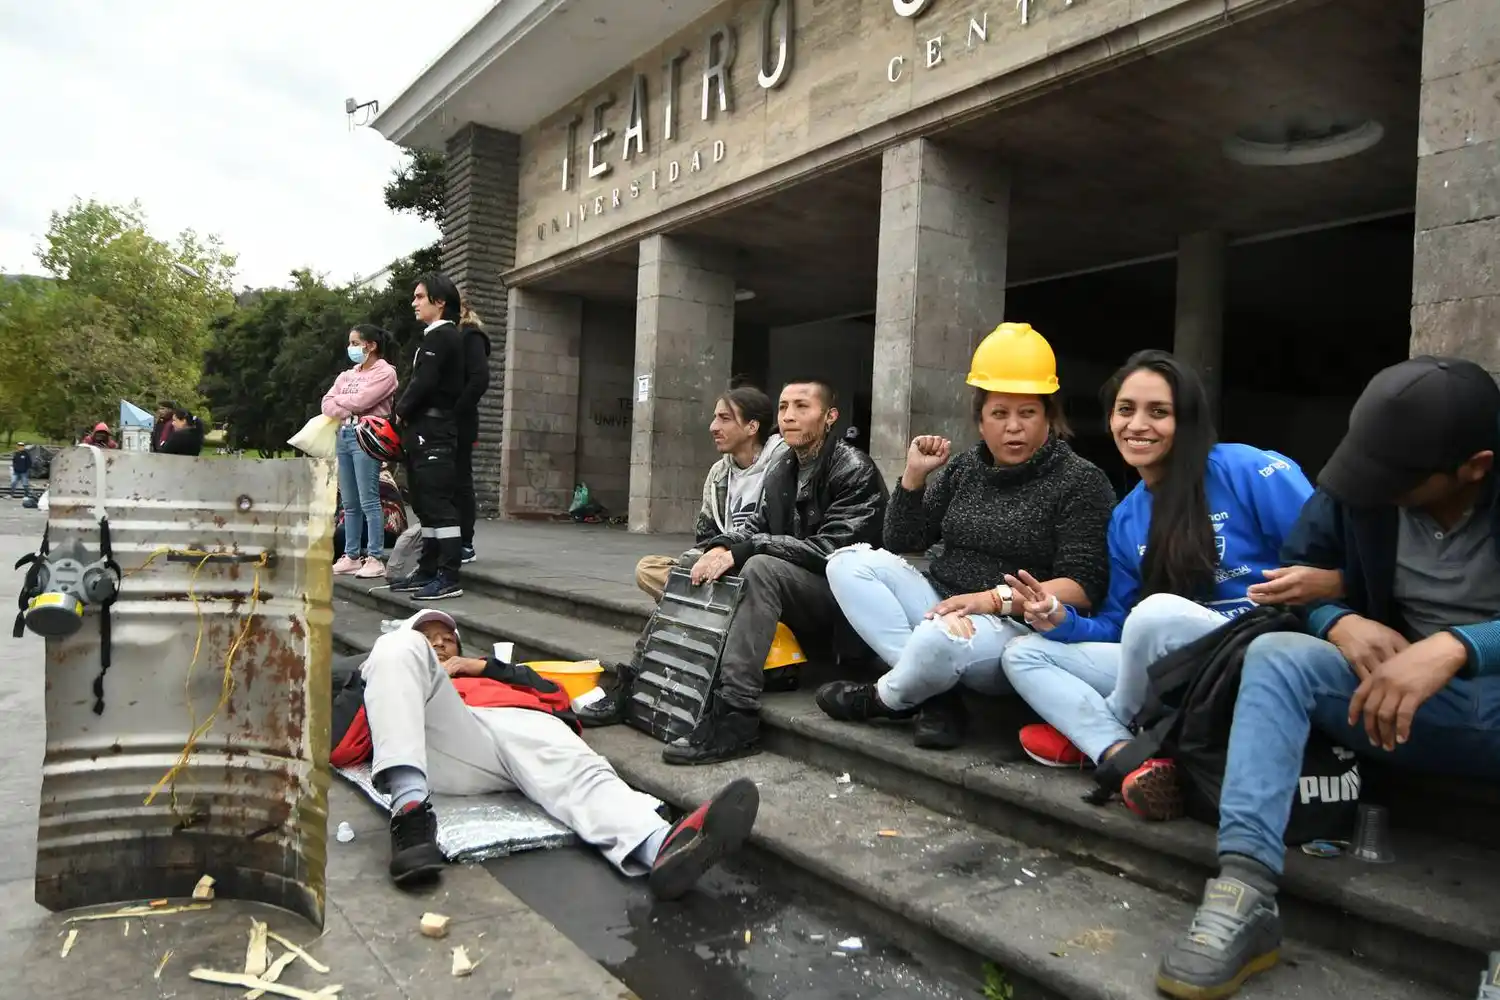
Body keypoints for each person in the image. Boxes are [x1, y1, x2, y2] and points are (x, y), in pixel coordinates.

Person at [1152, 356, 1500, 1000]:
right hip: (1396, 700)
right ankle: (1245, 893)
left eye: (1395, 479)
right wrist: (1338, 620)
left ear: (1474, 467)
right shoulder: (1362, 484)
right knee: (1277, 655)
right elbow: (1295, 580)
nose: (1370, 489)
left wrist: (1460, 645)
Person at [999, 350, 1319, 810]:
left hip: (1261, 651)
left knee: (1158, 612)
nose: (1138, 425)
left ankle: (1111, 724)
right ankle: (1126, 756)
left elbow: (1329, 560)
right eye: (1126, 410)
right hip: (1180, 668)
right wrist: (1061, 620)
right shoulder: (1127, 517)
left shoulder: (1249, 470)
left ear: (1186, 420)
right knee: (1022, 653)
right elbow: (1120, 627)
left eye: (1158, 412)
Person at [814, 324, 1117, 750]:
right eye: (1000, 414)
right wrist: (914, 476)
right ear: (980, 420)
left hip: (1013, 628)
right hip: (942, 600)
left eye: (1028, 413)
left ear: (1049, 417)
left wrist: (991, 599)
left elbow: (1084, 586)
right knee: (846, 563)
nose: (1013, 427)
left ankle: (887, 697)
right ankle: (935, 694)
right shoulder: (965, 468)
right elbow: (902, 540)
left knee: (940, 637)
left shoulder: (1080, 481)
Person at [331, 609, 760, 897]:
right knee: (394, 646)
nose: (440, 645)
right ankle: (410, 816)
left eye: (448, 640)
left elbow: (555, 694)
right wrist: (376, 673)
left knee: (579, 768)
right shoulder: (397, 667)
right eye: (430, 639)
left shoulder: (492, 675)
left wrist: (485, 667)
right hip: (452, 741)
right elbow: (340, 739)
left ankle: (659, 847)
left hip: (523, 732)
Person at [624, 379, 888, 765]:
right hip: (799, 591)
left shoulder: (854, 468)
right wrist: (718, 548)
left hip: (846, 604)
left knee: (760, 567)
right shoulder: (783, 468)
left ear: (830, 416)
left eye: (802, 407)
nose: (789, 416)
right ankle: (635, 680)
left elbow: (833, 552)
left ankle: (736, 714)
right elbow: (754, 527)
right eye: (783, 407)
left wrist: (748, 548)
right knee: (692, 565)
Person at [633, 384, 787, 602]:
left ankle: (703, 599)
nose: (713, 427)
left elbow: (779, 533)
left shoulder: (783, 463)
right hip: (720, 560)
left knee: (752, 570)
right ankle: (714, 598)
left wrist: (731, 555)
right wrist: (707, 557)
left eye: (725, 418)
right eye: (715, 418)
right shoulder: (719, 472)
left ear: (752, 426)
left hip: (755, 561)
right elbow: (706, 536)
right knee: (648, 568)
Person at [389, 273, 468, 601]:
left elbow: (424, 382)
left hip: (434, 431)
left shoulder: (443, 336)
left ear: (440, 302)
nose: (414, 303)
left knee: (438, 504)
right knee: (425, 505)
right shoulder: (433, 337)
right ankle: (428, 569)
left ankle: (449, 576)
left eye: (420, 296)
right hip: (423, 430)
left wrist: (398, 412)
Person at [324, 324, 399, 579]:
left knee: (369, 499)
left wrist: (342, 403)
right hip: (344, 434)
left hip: (367, 436)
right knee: (349, 501)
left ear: (371, 345)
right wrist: (346, 406)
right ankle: (352, 555)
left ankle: (375, 557)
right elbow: (326, 403)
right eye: (350, 343)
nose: (351, 348)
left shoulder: (386, 373)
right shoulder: (347, 375)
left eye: (355, 343)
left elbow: (362, 402)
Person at [454, 303, 490, 566]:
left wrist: (455, 410)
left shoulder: (470, 336)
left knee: (460, 480)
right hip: (441, 423)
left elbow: (479, 379)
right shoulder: (441, 336)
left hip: (459, 423)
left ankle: (465, 542)